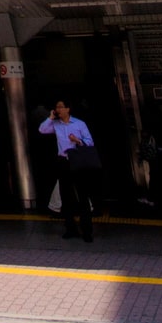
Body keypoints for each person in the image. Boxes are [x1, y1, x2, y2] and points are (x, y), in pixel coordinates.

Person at [38, 100, 97, 242]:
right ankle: (70, 229)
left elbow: (90, 142)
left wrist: (77, 140)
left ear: (68, 109)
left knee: (82, 195)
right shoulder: (56, 124)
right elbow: (42, 130)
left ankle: (87, 231)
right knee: (66, 196)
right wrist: (50, 117)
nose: (58, 109)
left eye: (60, 107)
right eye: (56, 107)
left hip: (77, 160)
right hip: (63, 161)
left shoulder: (79, 124)